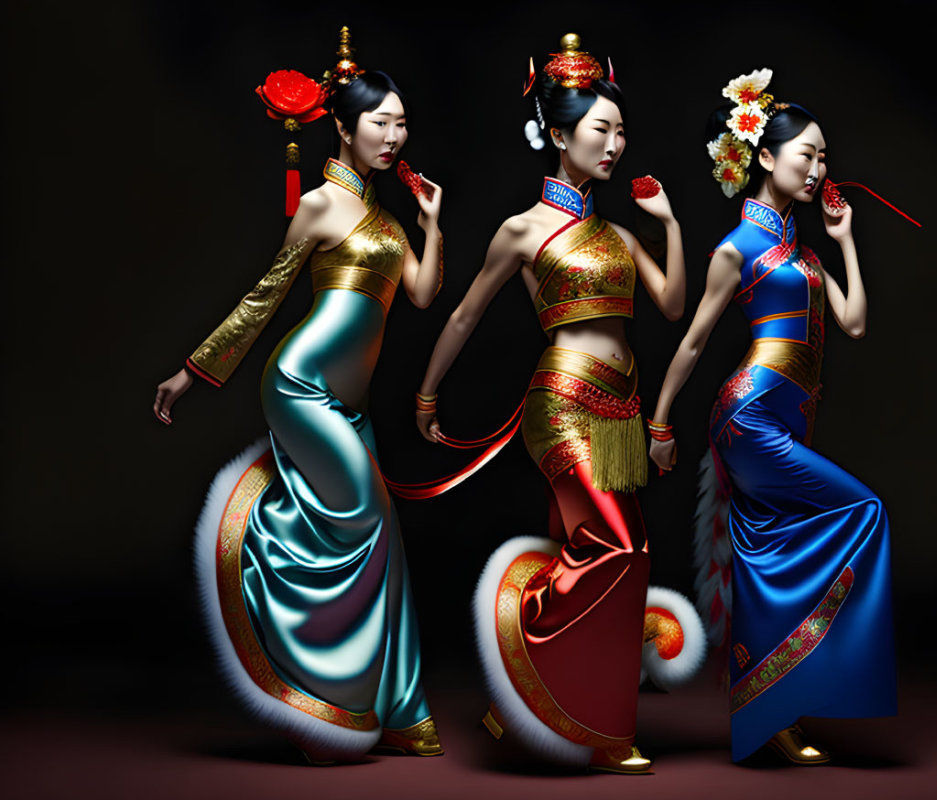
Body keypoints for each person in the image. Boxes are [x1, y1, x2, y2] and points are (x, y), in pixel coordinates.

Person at [152, 29, 446, 763]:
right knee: (370, 517)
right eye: (379, 121)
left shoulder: (384, 216)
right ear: (341, 128)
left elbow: (421, 291)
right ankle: (323, 702)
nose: (394, 134)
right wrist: (195, 370)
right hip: (302, 385)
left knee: (387, 542)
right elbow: (264, 297)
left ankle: (401, 709)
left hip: (349, 404)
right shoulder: (319, 205)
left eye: (401, 122)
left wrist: (432, 225)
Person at [415, 34, 695, 774]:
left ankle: (536, 705)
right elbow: (466, 314)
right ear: (560, 134)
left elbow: (670, 304)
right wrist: (427, 390)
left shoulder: (617, 232)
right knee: (618, 550)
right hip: (563, 405)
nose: (615, 144)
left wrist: (668, 224)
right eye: (601, 130)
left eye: (621, 132)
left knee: (608, 555)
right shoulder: (523, 231)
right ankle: (573, 707)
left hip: (621, 408)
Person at [648, 68, 896, 764]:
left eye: (823, 157)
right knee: (862, 511)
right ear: (763, 156)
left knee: (768, 559)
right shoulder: (739, 248)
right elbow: (694, 338)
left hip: (789, 422)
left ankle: (772, 710)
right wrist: (661, 423)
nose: (819, 168)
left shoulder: (809, 251)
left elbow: (851, 324)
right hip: (749, 419)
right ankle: (777, 706)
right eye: (806, 155)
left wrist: (843, 240)